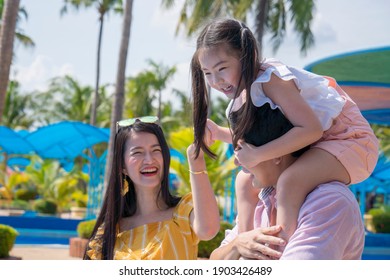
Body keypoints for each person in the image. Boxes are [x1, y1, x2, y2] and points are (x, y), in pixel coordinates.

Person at [190, 18, 378, 245]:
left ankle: (279, 248)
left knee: (290, 181)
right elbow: (265, 138)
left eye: (222, 68)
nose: (216, 80)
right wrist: (219, 132)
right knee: (243, 181)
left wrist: (258, 155)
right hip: (313, 144)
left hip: (349, 140)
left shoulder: (271, 78)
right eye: (207, 73)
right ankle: (245, 245)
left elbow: (310, 129)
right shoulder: (245, 93)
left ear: (245, 57)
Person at [209, 104, 365, 260]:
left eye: (242, 150)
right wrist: (237, 244)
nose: (237, 162)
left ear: (275, 153)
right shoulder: (260, 200)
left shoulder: (329, 202)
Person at [84, 117, 220, 260]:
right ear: (122, 166)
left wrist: (196, 159)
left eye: (156, 150)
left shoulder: (184, 211)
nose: (149, 160)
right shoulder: (110, 231)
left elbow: (207, 230)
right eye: (137, 152)